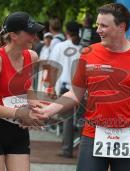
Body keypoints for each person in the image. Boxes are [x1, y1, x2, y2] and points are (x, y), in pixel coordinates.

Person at [32, 3, 130, 171]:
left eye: (104, 25)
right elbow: (75, 94)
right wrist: (49, 110)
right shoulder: (88, 53)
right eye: (97, 25)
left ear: (122, 27)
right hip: (94, 134)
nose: (98, 30)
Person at [0, 11, 44, 171]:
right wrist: (20, 113)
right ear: (13, 35)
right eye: (30, 33)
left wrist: (37, 109)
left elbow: (28, 88)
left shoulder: (32, 56)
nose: (34, 37)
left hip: (17, 130)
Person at [49, 21, 82, 158]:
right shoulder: (85, 48)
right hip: (82, 89)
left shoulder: (59, 46)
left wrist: (51, 87)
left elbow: (52, 67)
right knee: (82, 120)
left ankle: (67, 149)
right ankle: (83, 151)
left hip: (65, 88)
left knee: (67, 119)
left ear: (66, 31)